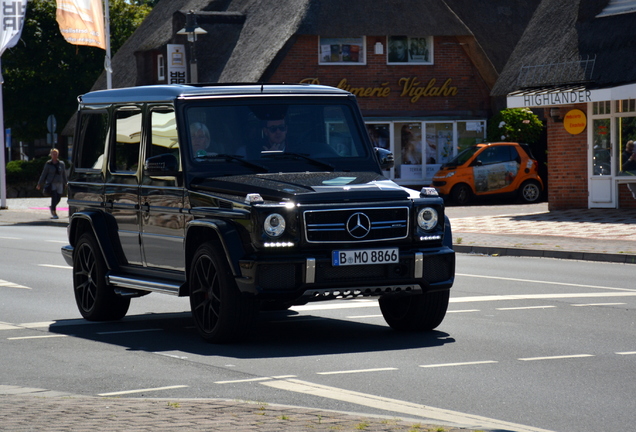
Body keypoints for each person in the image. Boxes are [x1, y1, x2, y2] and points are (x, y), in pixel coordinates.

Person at [36, 148, 67, 219]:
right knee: (54, 197)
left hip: (60, 182)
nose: (55, 155)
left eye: (56, 154)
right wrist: (39, 183)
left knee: (58, 198)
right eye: (53, 154)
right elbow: (43, 174)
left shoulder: (61, 164)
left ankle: (52, 207)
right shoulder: (48, 164)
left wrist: (66, 183)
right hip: (52, 183)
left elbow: (64, 174)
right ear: (51, 155)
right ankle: (54, 212)